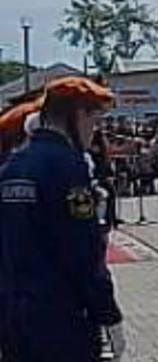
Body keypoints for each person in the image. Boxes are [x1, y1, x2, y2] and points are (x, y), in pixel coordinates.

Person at [0, 76, 125, 362]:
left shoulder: (12, 165)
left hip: (13, 316)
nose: (94, 131)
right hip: (60, 318)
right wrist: (108, 313)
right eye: (94, 120)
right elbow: (84, 253)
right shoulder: (69, 166)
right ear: (78, 115)